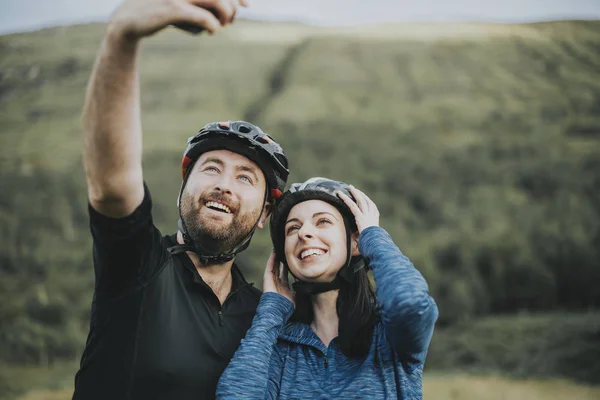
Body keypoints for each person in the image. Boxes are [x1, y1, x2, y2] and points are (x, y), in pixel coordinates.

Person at [72, 0, 290, 399]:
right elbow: (112, 185)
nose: (225, 184)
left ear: (264, 214)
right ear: (183, 187)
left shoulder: (265, 313)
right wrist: (121, 37)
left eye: (245, 178)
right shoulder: (140, 267)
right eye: (211, 168)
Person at [216, 177, 439, 399]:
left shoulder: (388, 336)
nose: (303, 233)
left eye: (322, 221)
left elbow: (410, 303)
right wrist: (271, 312)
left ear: (355, 242)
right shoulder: (280, 347)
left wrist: (373, 237)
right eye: (293, 228)